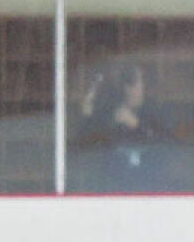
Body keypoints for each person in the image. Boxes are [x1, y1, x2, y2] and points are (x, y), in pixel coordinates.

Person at [71, 61, 171, 192]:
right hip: (111, 190)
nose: (141, 88)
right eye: (134, 82)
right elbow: (80, 146)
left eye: (142, 83)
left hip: (149, 189)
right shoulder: (108, 113)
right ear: (124, 87)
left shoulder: (154, 112)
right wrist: (87, 117)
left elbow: (168, 147)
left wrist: (137, 125)